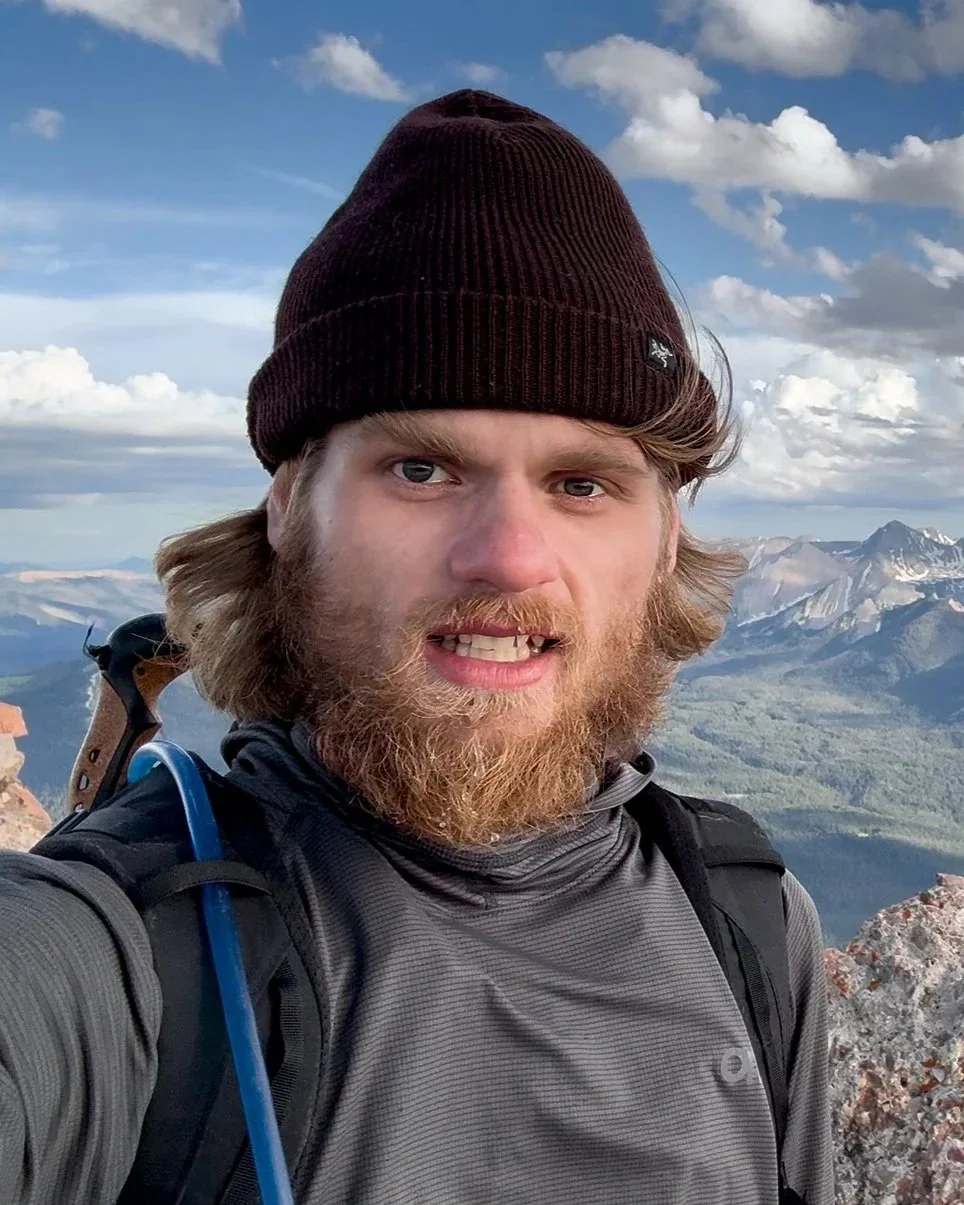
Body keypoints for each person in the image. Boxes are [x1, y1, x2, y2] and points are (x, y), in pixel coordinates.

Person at [0, 89, 833, 1205]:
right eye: (421, 468)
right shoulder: (125, 952)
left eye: (582, 482)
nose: (506, 555)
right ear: (291, 503)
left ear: (664, 535)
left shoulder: (746, 921)